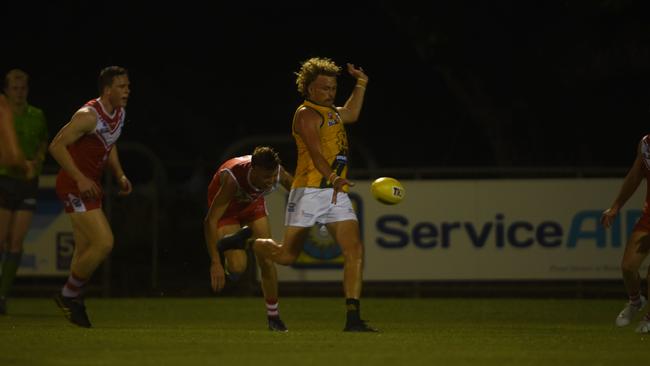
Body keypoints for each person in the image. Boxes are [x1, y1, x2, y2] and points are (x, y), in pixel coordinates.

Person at [249, 57, 375, 332]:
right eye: (324, 88)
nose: (330, 92)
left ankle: (353, 319)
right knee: (285, 257)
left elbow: (351, 113)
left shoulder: (331, 112)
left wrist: (362, 83)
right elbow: (316, 153)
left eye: (333, 88)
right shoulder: (305, 113)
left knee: (354, 251)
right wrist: (333, 177)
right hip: (308, 191)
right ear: (308, 89)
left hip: (334, 192)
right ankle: (253, 243)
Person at [49, 66, 132, 328]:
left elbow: (111, 142)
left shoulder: (119, 113)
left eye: (128, 86)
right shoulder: (88, 116)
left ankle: (74, 304)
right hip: (74, 186)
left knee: (85, 249)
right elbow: (56, 146)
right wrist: (80, 177)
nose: (127, 91)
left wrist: (119, 174)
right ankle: (68, 295)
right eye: (122, 86)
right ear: (107, 90)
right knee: (104, 242)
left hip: (90, 186)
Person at [204, 146, 293, 331]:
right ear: (253, 169)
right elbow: (210, 220)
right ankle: (241, 244)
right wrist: (215, 262)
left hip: (252, 205)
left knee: (267, 260)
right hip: (227, 211)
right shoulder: (232, 179)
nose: (270, 182)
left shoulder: (278, 174)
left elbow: (299, 194)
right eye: (265, 177)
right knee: (238, 268)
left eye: (272, 176)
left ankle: (273, 317)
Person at [0, 69, 48, 314]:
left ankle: (2, 295)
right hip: (4, 180)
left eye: (23, 88)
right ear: (6, 90)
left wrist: (36, 163)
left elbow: (43, 143)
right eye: (14, 88)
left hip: (27, 182)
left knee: (16, 243)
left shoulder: (36, 115)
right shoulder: (3, 114)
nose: (19, 93)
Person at [601, 134, 650, 333]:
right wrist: (615, 207)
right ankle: (636, 301)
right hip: (649, 217)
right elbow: (635, 176)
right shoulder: (646, 144)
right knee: (628, 267)